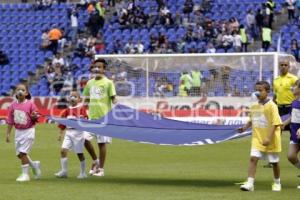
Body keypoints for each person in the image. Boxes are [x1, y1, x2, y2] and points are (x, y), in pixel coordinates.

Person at [237, 81, 282, 191]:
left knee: (274, 162)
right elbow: (252, 119)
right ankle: (250, 183)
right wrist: (244, 128)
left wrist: (268, 138)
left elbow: (275, 123)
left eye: (260, 90)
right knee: (253, 159)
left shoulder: (272, 106)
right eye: (256, 90)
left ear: (267, 92)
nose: (258, 93)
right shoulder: (254, 106)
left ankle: (277, 182)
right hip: (257, 138)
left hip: (270, 139)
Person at [83, 58, 117, 177]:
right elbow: (86, 98)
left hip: (104, 118)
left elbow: (113, 97)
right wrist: (84, 106)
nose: (97, 69)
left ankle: (101, 170)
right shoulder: (89, 83)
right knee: (84, 140)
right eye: (95, 67)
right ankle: (95, 160)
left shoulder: (108, 83)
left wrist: (116, 101)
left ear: (104, 69)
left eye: (99, 67)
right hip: (91, 118)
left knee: (101, 144)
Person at [6, 84, 41, 182]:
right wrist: (8, 134)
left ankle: (25, 175)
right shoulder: (13, 105)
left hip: (28, 131)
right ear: (15, 92)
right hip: (18, 132)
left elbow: (36, 115)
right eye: (18, 90)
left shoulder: (30, 104)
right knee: (19, 155)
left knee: (23, 153)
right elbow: (10, 121)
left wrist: (35, 116)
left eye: (23, 90)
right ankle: (34, 165)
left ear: (26, 93)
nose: (20, 91)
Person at [55, 91, 88, 179]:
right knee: (63, 151)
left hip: (78, 133)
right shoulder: (67, 110)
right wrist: (60, 133)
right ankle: (64, 171)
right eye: (71, 96)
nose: (72, 98)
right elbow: (63, 123)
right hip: (68, 133)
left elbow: (85, 119)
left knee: (79, 153)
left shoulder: (81, 108)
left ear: (79, 99)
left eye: (75, 97)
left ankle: (83, 172)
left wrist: (82, 118)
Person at [282, 79, 300, 189]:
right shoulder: (294, 102)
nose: (292, 88)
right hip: (294, 133)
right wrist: (284, 123)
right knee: (291, 156)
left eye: (295, 86)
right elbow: (292, 116)